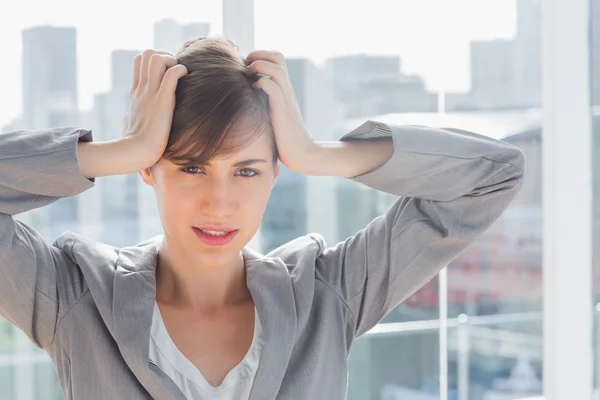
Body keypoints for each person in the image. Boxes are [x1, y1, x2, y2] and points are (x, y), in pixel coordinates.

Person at [0, 36, 525, 400]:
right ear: (148, 170)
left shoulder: (327, 295)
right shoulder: (75, 298)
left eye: (247, 171)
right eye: (191, 166)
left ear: (277, 173)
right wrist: (121, 150)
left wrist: (319, 154)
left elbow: (494, 174)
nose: (218, 202)